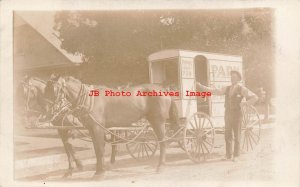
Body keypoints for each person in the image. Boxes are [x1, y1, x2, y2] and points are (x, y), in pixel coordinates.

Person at [197, 70, 258, 162]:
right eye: (231, 77)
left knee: (237, 135)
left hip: (237, 114)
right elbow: (215, 91)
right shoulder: (227, 88)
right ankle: (228, 155)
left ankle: (236, 156)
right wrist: (201, 87)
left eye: (234, 77)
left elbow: (255, 97)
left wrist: (245, 103)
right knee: (227, 134)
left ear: (238, 78)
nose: (232, 78)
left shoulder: (242, 89)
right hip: (228, 114)